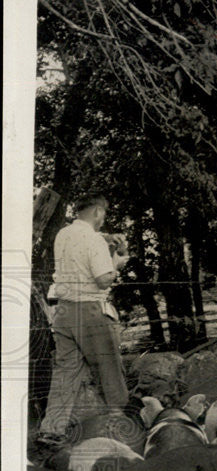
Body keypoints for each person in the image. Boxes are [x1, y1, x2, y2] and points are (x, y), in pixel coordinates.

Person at [36, 193, 130, 450]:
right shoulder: (93, 240)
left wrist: (107, 242)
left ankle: (51, 430)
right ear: (98, 212)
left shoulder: (63, 235)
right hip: (91, 310)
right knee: (109, 368)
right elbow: (103, 279)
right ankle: (120, 424)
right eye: (104, 214)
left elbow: (81, 257)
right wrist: (119, 259)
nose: (104, 220)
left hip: (65, 313)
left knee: (66, 373)